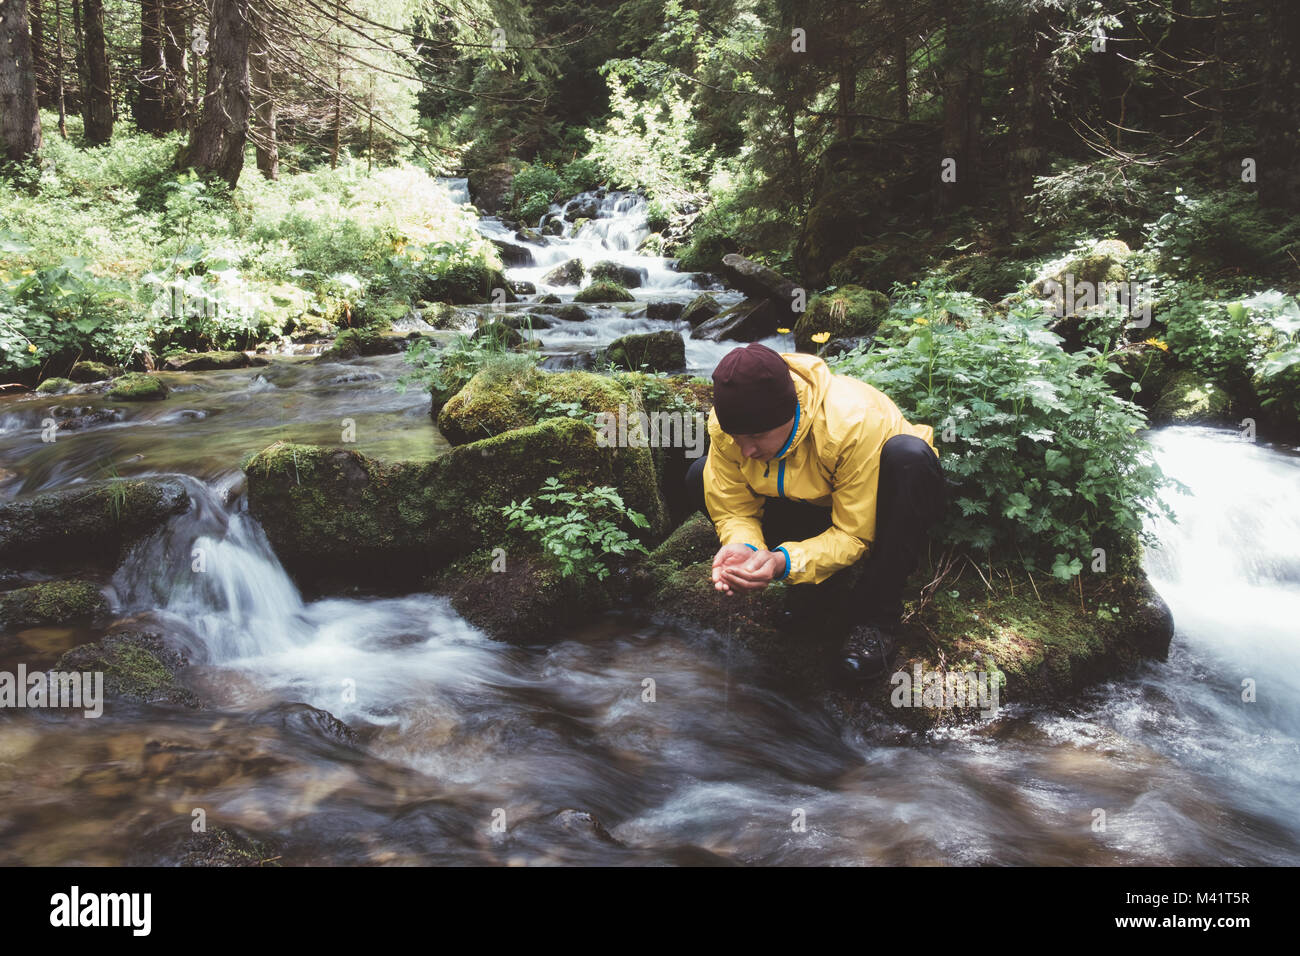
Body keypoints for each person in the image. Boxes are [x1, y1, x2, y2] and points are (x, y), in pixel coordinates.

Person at [684, 342, 948, 679]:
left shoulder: (851, 421)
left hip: (887, 497)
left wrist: (783, 562)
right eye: (737, 438)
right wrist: (746, 548)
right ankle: (818, 588)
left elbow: (854, 534)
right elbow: (733, 506)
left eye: (757, 436)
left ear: (790, 412)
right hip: (814, 500)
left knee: (909, 457)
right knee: (699, 475)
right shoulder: (727, 427)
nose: (746, 450)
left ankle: (877, 618)